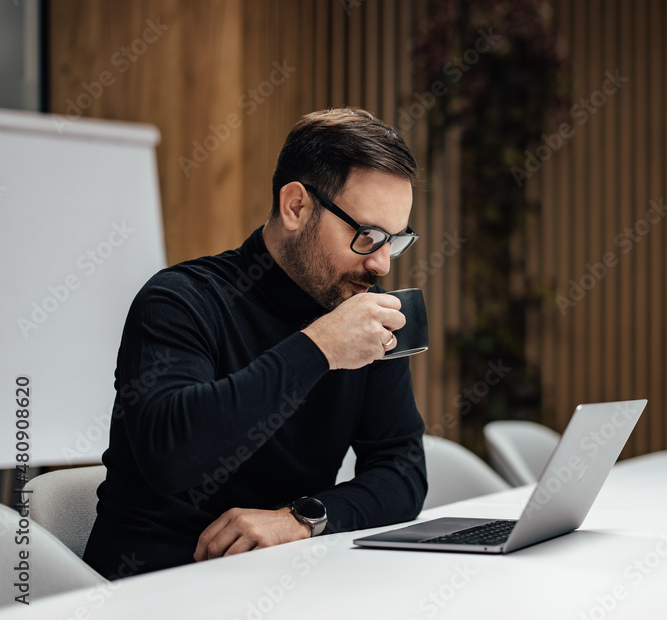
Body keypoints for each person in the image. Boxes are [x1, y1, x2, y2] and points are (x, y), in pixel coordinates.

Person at [83, 107, 428, 579]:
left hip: (280, 582)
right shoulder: (179, 300)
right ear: (296, 207)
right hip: (152, 587)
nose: (382, 264)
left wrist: (300, 521)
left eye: (395, 239)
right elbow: (172, 458)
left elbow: (402, 471)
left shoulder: (366, 312)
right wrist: (318, 348)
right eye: (367, 235)